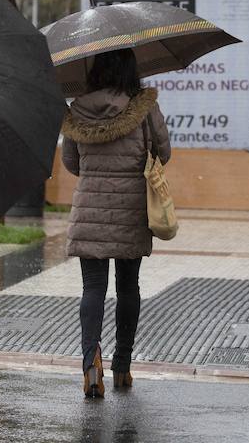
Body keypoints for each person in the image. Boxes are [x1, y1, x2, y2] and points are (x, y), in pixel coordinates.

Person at [60, 48, 170, 398]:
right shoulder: (144, 107)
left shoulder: (77, 109)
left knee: (92, 289)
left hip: (89, 210)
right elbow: (163, 154)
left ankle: (91, 365)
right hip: (131, 209)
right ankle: (122, 367)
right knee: (128, 287)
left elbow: (71, 162)